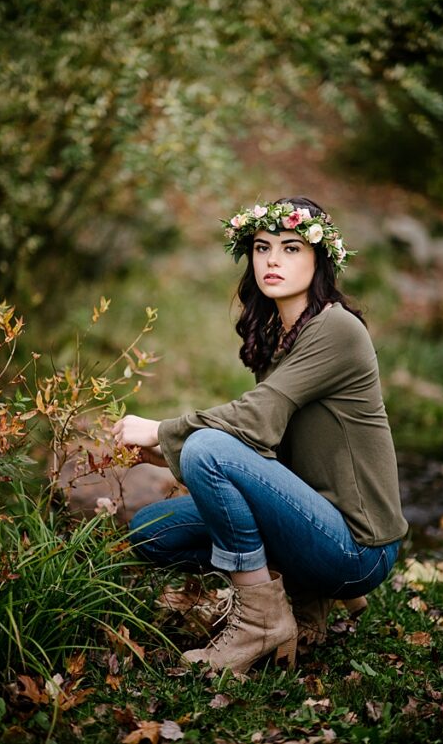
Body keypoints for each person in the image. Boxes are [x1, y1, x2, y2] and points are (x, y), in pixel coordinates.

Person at [114, 196, 407, 674]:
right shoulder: (279, 334)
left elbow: (255, 419)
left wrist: (163, 432)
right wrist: (170, 453)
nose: (272, 260)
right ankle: (304, 598)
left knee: (208, 447)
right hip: (316, 516)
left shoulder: (337, 329)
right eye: (262, 247)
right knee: (153, 533)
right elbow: (269, 446)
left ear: (320, 259)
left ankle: (262, 619)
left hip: (359, 545)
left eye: (292, 248)